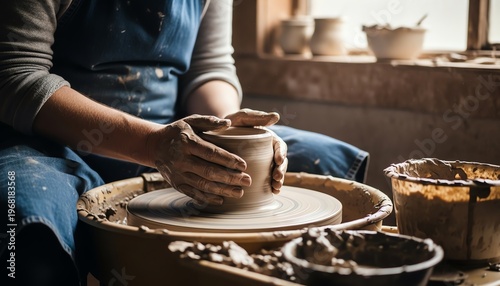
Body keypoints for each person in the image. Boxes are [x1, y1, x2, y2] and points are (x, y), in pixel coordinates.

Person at [0, 0, 368, 285]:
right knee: (29, 222)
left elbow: (209, 68)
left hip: (174, 132)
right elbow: (16, 75)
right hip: (46, 139)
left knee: (326, 161)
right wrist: (152, 146)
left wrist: (227, 131)